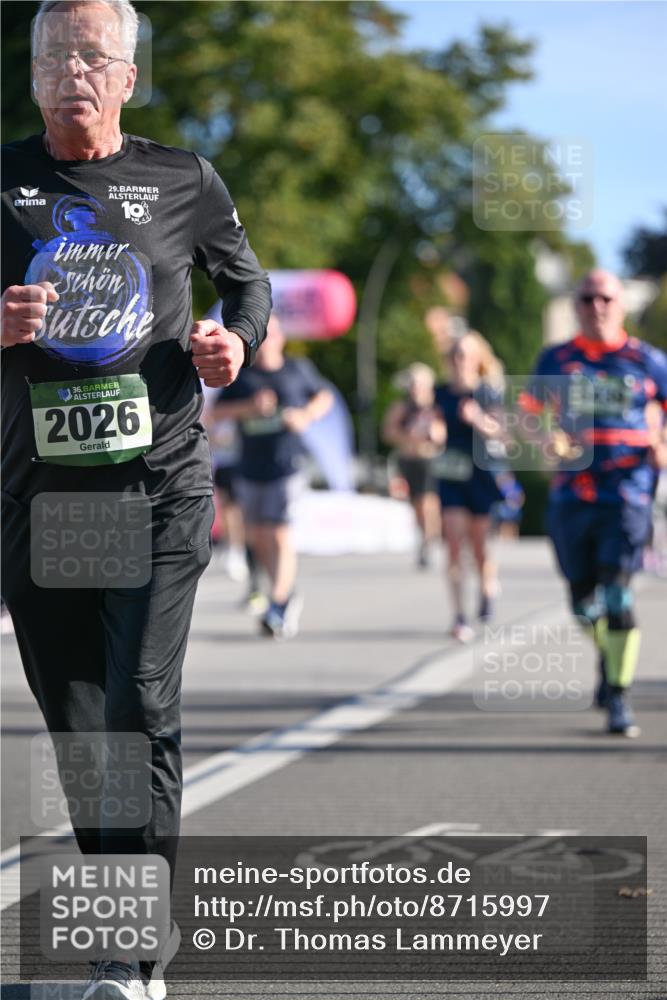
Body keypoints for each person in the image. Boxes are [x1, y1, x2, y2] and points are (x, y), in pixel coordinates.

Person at [0, 2, 271, 997]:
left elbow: (248, 290)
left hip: (157, 483)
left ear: (127, 76)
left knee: (138, 706)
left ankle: (131, 959)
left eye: (92, 54)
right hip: (39, 499)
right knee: (78, 726)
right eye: (52, 54)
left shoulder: (184, 180)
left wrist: (234, 343)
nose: (71, 69)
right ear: (33, 75)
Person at [522, 269, 667, 737]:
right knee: (583, 603)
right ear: (575, 306)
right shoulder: (556, 360)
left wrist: (661, 441)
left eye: (605, 298)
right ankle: (609, 659)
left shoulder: (646, 360)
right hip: (572, 496)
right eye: (586, 299)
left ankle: (619, 698)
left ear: (621, 304)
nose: (596, 307)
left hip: (628, 492)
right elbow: (526, 415)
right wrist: (545, 437)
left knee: (618, 594)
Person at [213, 315, 332, 639]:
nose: (269, 340)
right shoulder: (244, 376)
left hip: (288, 466)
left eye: (274, 333)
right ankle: (285, 593)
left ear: (282, 338)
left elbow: (324, 397)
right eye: (263, 335)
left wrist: (305, 415)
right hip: (250, 467)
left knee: (279, 532)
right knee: (258, 535)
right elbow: (215, 414)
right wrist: (248, 408)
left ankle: (278, 602)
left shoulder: (297, 369)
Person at [433, 331, 506, 642]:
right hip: (451, 474)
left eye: (466, 354)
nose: (460, 361)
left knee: (480, 547)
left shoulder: (488, 394)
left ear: (477, 359)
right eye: (456, 355)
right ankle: (459, 615)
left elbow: (501, 433)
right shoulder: (440, 394)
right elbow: (431, 423)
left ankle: (488, 586)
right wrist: (430, 431)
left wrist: (477, 419)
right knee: (452, 543)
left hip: (481, 473)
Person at [382, 363, 443, 568]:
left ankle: (430, 541)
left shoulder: (436, 407)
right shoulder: (402, 408)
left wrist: (435, 436)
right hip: (409, 460)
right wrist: (407, 437)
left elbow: (443, 433)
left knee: (428, 501)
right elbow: (388, 431)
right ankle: (424, 537)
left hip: (430, 460)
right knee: (416, 502)